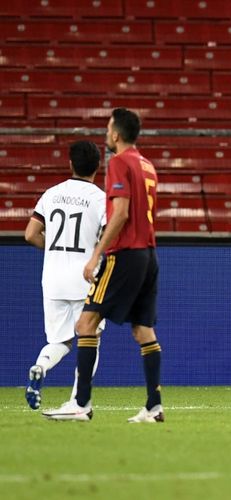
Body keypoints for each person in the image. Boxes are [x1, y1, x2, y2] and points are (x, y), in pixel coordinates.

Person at [43, 108, 163, 423]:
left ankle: (80, 404)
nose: (106, 133)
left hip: (126, 254)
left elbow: (121, 213)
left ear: (117, 134)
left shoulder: (119, 163)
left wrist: (97, 253)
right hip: (149, 254)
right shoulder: (147, 165)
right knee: (142, 330)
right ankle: (154, 406)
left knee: (85, 325)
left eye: (109, 128)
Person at [24, 141, 106, 410]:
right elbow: (109, 236)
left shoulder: (51, 194)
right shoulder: (99, 198)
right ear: (98, 167)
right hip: (86, 278)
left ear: (70, 164)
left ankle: (41, 365)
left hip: (53, 278)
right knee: (89, 338)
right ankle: (76, 399)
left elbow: (30, 234)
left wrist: (51, 247)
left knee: (59, 341)